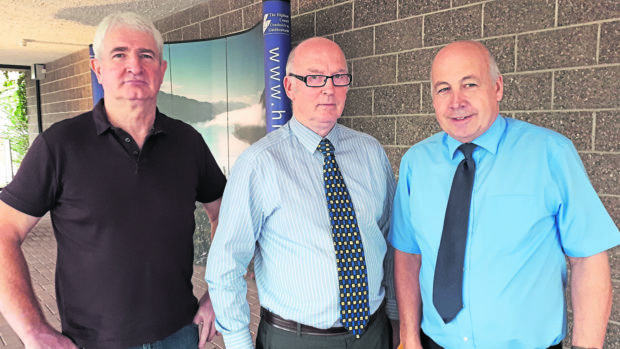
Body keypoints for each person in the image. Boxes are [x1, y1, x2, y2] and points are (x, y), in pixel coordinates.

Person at [0, 12, 226, 349]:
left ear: (161, 71)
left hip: (181, 335)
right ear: (98, 69)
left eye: (146, 55)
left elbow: (227, 214)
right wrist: (32, 330)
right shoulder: (60, 145)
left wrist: (218, 294)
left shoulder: (188, 142)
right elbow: (5, 232)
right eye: (119, 54)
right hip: (93, 342)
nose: (134, 66)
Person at [389, 40, 620, 349]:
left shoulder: (550, 153)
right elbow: (408, 255)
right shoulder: (415, 163)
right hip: (435, 343)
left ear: (497, 87)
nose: (456, 101)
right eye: (443, 89)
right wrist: (409, 336)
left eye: (469, 84)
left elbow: (588, 260)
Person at [205, 37, 399, 349]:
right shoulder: (259, 163)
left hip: (373, 334)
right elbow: (225, 264)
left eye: (338, 77)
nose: (328, 88)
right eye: (314, 77)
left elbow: (391, 237)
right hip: (296, 339)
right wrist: (240, 343)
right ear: (289, 87)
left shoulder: (371, 151)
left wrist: (394, 317)